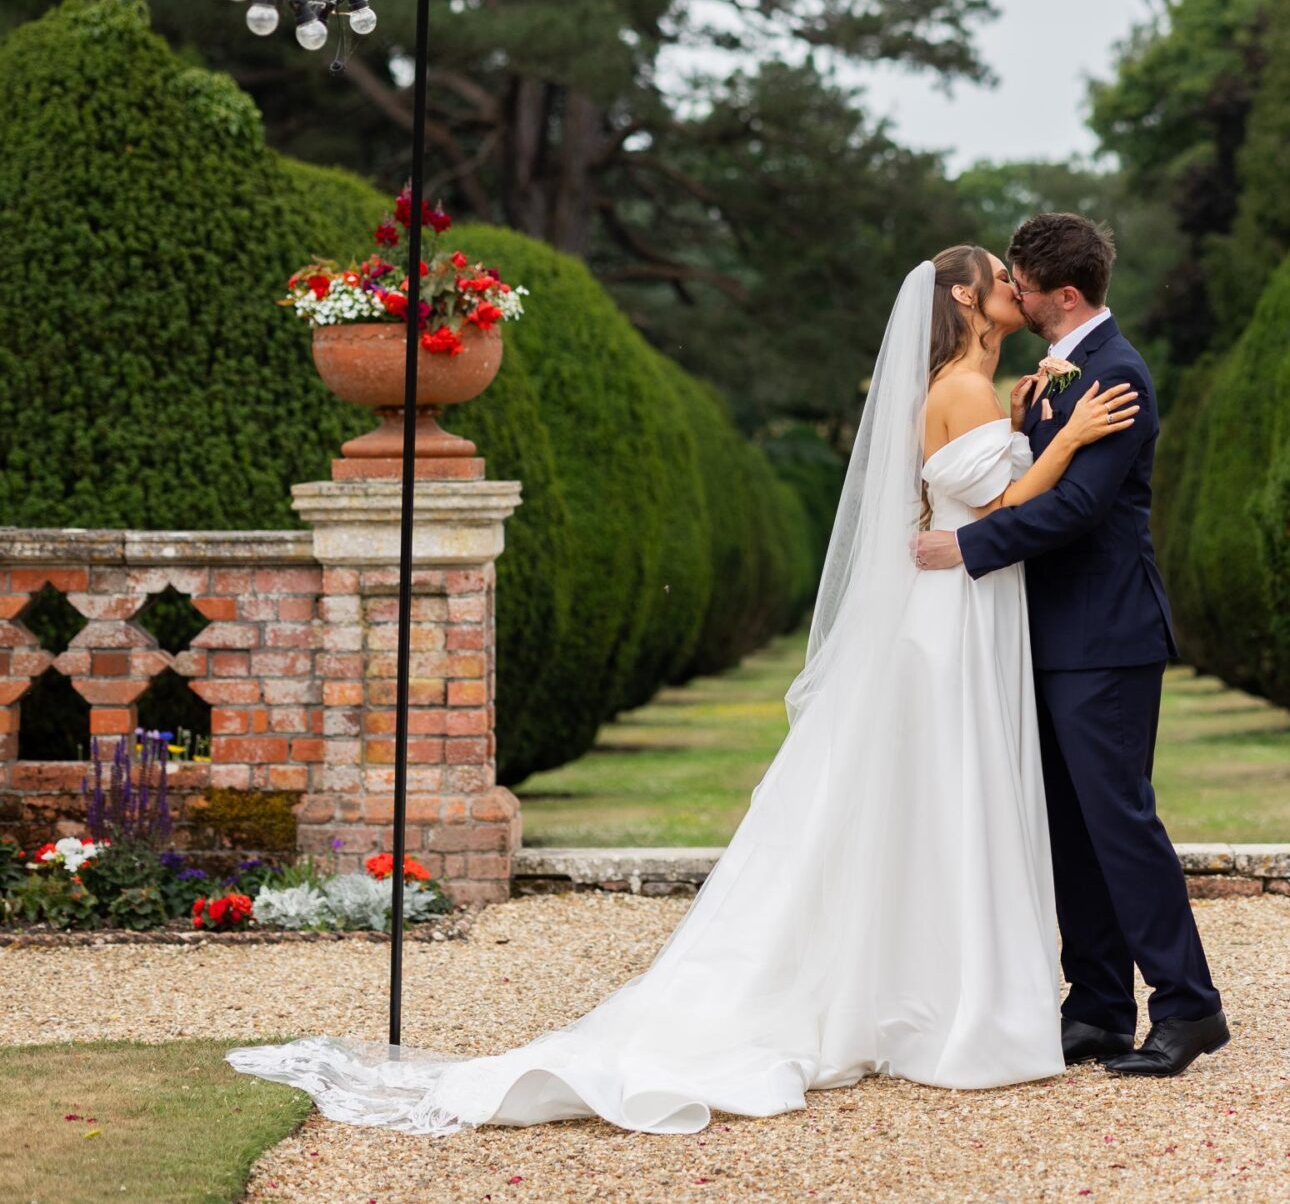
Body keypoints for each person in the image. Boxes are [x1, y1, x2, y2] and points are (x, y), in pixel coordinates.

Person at [226, 243, 1139, 1134]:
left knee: (929, 797)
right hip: (957, 618)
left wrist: (1024, 428)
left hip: (952, 607)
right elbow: (1010, 505)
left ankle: (921, 988)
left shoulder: (967, 389)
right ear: (970, 302)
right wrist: (1070, 440)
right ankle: (949, 998)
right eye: (997, 280)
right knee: (951, 792)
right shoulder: (965, 387)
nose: (1013, 288)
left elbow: (970, 488)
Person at [913, 212, 1228, 1077]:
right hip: (1045, 636)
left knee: (1122, 825)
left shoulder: (1117, 372)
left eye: (1020, 281)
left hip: (1107, 635)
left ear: (1062, 295)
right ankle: (1094, 1004)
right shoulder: (1054, 374)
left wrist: (966, 548)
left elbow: (1078, 508)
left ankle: (1188, 1006)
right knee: (1071, 833)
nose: (1010, 292)